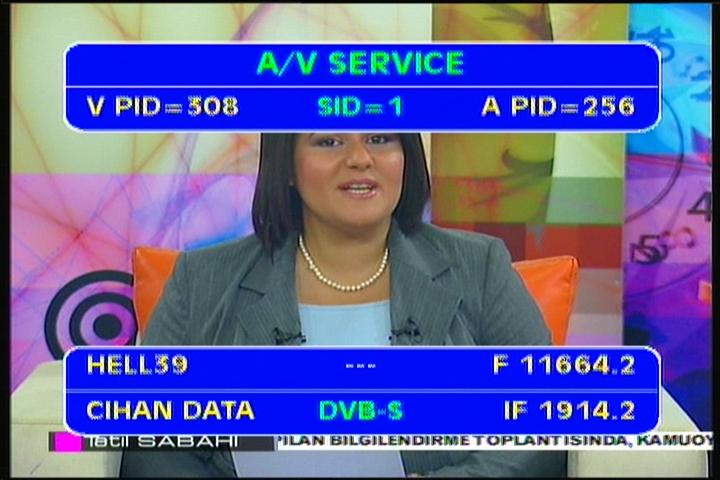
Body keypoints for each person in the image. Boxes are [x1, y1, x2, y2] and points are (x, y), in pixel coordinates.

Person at [120, 132, 567, 477]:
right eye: (329, 141)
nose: (359, 158)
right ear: (287, 165)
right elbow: (151, 443)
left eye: (380, 138)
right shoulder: (203, 280)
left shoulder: (478, 267)